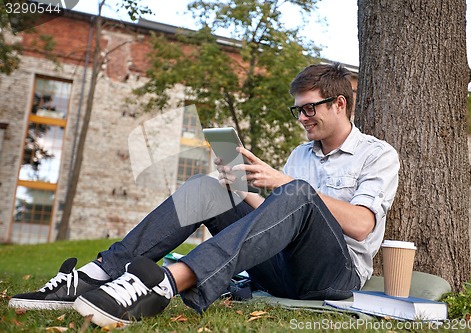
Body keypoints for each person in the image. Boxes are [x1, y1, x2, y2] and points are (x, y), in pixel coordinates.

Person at [9, 63, 400, 327]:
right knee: (206, 188)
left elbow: (363, 225)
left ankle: (165, 284)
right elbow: (276, 219)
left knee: (297, 190)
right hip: (280, 268)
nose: (302, 118)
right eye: (297, 111)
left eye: (309, 109)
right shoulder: (301, 154)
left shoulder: (377, 155)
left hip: (335, 274)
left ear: (340, 103)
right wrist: (239, 189)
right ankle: (93, 277)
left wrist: (284, 183)